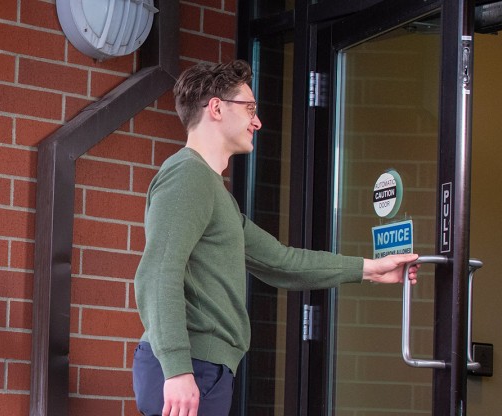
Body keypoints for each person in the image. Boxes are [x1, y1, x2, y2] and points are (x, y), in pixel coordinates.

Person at [131, 60, 420, 416]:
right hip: (190, 365)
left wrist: (373, 269)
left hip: (203, 366)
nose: (258, 121)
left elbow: (282, 261)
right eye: (250, 108)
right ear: (216, 108)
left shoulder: (213, 190)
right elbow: (158, 272)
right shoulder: (187, 176)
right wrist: (176, 369)